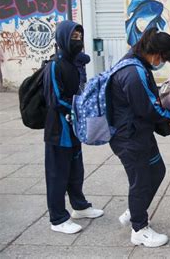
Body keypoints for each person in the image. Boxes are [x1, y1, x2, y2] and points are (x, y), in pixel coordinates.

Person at [108, 28, 170, 247]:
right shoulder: (132, 72)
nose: (162, 63)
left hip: (140, 133)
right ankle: (139, 229)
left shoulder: (138, 64)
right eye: (164, 59)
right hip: (129, 137)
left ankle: (135, 209)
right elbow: (145, 108)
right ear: (157, 54)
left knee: (157, 171)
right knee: (140, 180)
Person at [42, 20, 103, 234]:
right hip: (58, 131)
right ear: (62, 39)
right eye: (73, 37)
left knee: (76, 170)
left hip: (73, 126)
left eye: (79, 37)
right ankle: (58, 218)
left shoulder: (74, 62)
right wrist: (79, 106)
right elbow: (55, 99)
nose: (77, 41)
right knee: (57, 173)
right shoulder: (54, 65)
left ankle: (79, 206)